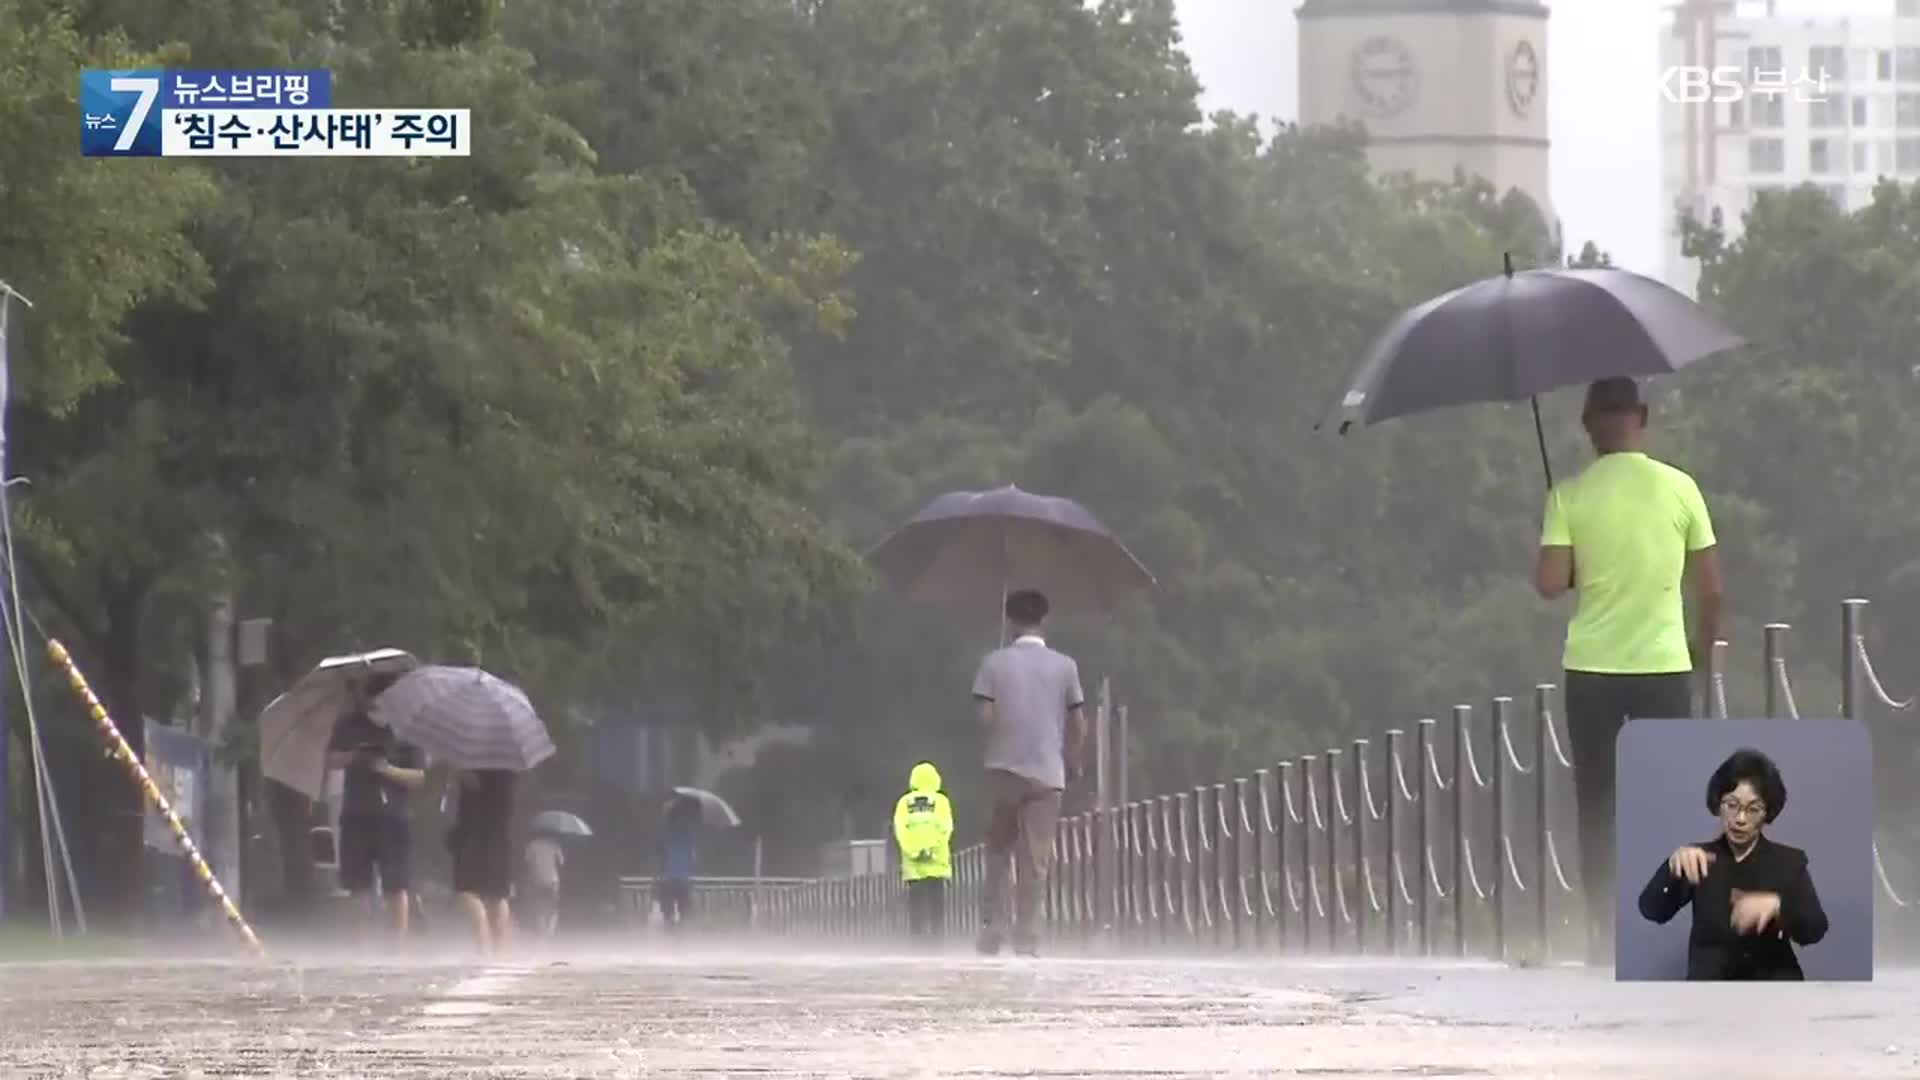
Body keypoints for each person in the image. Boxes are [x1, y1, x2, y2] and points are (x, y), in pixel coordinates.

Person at [1534, 377, 1724, 965]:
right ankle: (1665, 923)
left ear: (1587, 425)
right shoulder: (1681, 488)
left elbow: (1547, 583)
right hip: (1665, 668)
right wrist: (1701, 648)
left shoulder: (1569, 495)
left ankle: (1602, 927)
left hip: (1592, 669)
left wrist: (1570, 564)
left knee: (1596, 799)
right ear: (1643, 418)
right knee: (1667, 799)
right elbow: (1713, 591)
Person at [1637, 748, 1827, 980]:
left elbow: (1815, 929)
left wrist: (1778, 906)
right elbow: (1652, 910)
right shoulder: (1697, 859)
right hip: (1708, 995)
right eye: (1731, 805)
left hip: (1774, 995)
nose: (1740, 819)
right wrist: (1672, 868)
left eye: (1753, 809)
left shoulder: (1788, 862)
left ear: (1767, 813)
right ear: (1718, 804)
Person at [971, 589, 1086, 957]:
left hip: (1004, 769)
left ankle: (992, 930)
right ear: (1044, 620)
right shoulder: (1066, 666)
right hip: (1047, 772)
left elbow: (985, 718)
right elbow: (1078, 723)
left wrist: (996, 703)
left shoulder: (992, 662)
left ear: (1009, 621)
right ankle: (1028, 935)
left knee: (998, 851)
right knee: (1036, 858)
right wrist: (1073, 758)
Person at [326, 672, 426, 940]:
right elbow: (332, 759)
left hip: (394, 817)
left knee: (396, 886)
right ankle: (358, 947)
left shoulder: (407, 730)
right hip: (356, 813)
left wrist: (387, 769)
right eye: (373, 702)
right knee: (356, 885)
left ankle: (396, 948)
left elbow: (418, 777)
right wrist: (355, 756)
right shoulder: (349, 725)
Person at [449, 768, 519, 956]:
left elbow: (473, 784)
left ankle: (483, 946)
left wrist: (459, 771)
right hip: (502, 829)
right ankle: (501, 953)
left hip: (475, 829)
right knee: (498, 893)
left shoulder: (472, 758)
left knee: (467, 890)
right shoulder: (509, 758)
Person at [892, 760, 955, 944]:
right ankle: (937, 938)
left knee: (916, 903)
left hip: (914, 865)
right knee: (937, 903)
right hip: (936, 862)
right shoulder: (942, 801)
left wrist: (913, 851)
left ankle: (916, 939)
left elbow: (900, 829)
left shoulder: (904, 803)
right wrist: (932, 850)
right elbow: (946, 828)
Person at [656, 795, 699, 930]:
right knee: (684, 915)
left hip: (667, 879)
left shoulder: (664, 836)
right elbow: (693, 859)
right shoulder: (688, 837)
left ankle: (669, 933)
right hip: (683, 879)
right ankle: (681, 940)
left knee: (668, 915)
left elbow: (659, 856)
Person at [523, 832, 565, 938]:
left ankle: (541, 932)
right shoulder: (555, 844)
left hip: (537, 879)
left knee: (539, 906)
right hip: (553, 880)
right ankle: (550, 930)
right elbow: (562, 862)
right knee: (553, 907)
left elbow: (527, 861)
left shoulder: (532, 844)